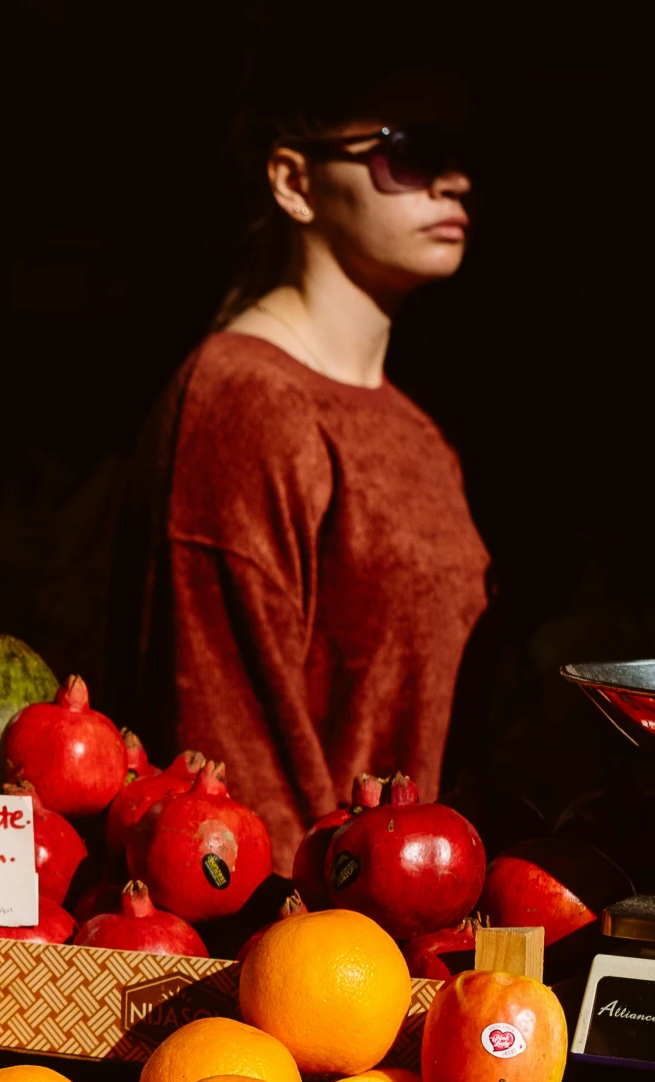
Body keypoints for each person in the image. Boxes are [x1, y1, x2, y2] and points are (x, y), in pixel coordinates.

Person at [119, 72, 488, 874]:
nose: (453, 179)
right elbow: (226, 742)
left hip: (409, 925)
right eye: (409, 153)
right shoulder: (244, 399)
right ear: (294, 181)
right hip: (298, 946)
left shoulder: (421, 433)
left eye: (458, 153)